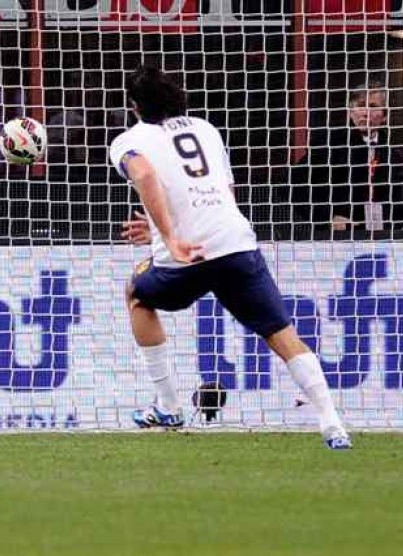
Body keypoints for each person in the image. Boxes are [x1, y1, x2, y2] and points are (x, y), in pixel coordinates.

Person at [108, 66, 351, 450]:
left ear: (133, 106)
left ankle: (168, 407)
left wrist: (169, 238)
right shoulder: (206, 130)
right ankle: (332, 424)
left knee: (137, 293)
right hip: (235, 244)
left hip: (186, 257)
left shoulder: (127, 141)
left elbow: (145, 175)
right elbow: (223, 192)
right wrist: (162, 229)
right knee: (281, 333)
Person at [289, 78, 403, 232]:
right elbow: (292, 185)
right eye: (361, 105)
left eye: (373, 106)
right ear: (351, 112)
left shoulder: (393, 154)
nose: (365, 112)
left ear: (384, 116)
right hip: (339, 239)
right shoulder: (329, 145)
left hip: (384, 237)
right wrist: (327, 218)